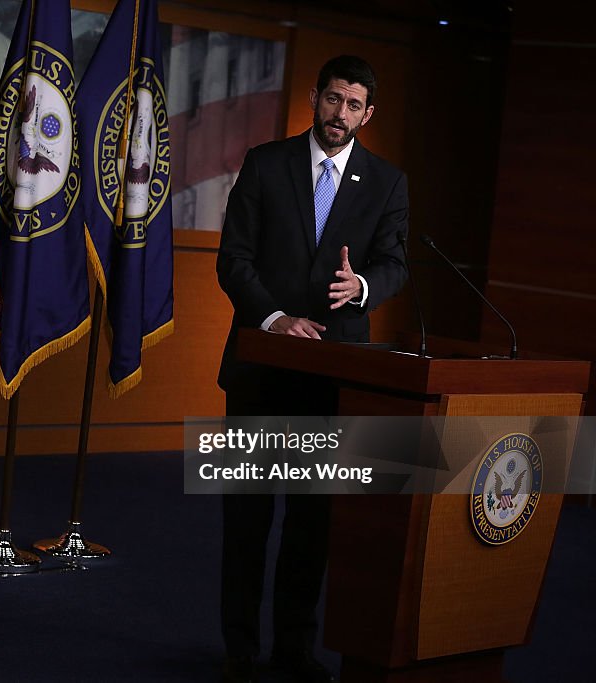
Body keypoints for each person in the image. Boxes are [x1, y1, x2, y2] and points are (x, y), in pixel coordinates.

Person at [215, 55, 408, 682]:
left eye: (354, 105)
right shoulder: (266, 163)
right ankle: (240, 649)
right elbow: (234, 259)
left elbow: (395, 263)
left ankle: (295, 648)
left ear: (368, 114)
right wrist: (273, 319)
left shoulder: (386, 182)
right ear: (313, 98)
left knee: (313, 519)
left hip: (335, 376)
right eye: (333, 100)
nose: (340, 114)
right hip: (262, 366)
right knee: (248, 516)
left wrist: (362, 288)